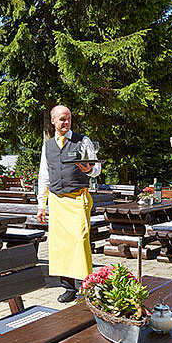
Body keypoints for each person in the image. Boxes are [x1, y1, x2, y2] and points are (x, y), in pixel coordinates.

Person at [37, 105, 101, 302]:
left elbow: (96, 168)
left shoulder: (83, 141)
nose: (66, 122)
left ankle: (86, 286)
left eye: (69, 118)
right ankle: (68, 287)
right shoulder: (47, 146)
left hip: (77, 199)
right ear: (54, 121)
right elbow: (44, 176)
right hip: (56, 201)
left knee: (80, 242)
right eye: (62, 119)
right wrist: (41, 204)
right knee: (60, 246)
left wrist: (88, 169)